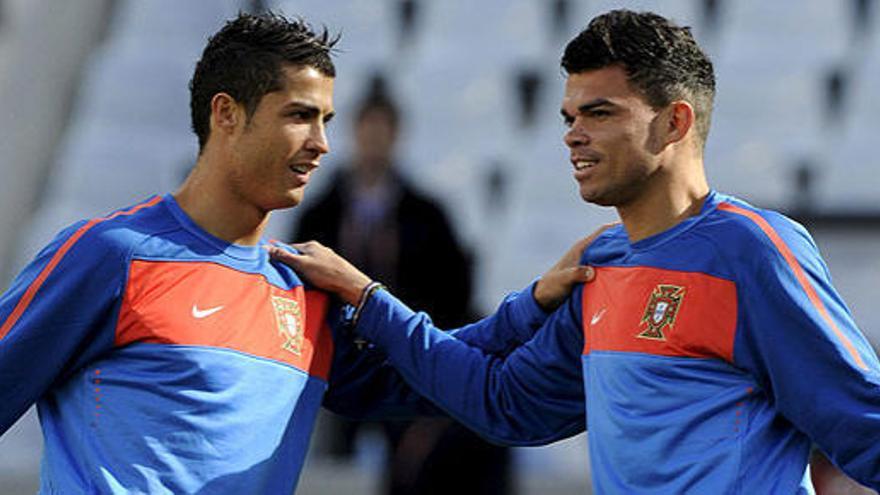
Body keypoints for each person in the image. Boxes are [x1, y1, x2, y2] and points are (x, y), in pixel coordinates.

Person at [272, 9, 880, 493]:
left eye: (599, 112)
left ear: (674, 123)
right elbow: (502, 403)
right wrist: (368, 300)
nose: (573, 134)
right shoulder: (605, 265)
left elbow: (864, 425)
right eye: (569, 116)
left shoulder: (751, 251)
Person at [0, 12, 593, 494]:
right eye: (300, 117)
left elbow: (433, 373)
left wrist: (533, 304)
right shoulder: (112, 257)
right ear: (227, 114)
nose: (322, 145)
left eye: (327, 120)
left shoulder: (301, 290)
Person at [293, 74, 512, 494]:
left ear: (396, 135)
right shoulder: (320, 213)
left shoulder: (427, 213)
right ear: (355, 133)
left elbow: (457, 289)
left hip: (411, 358)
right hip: (337, 358)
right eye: (367, 130)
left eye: (383, 131)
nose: (374, 141)